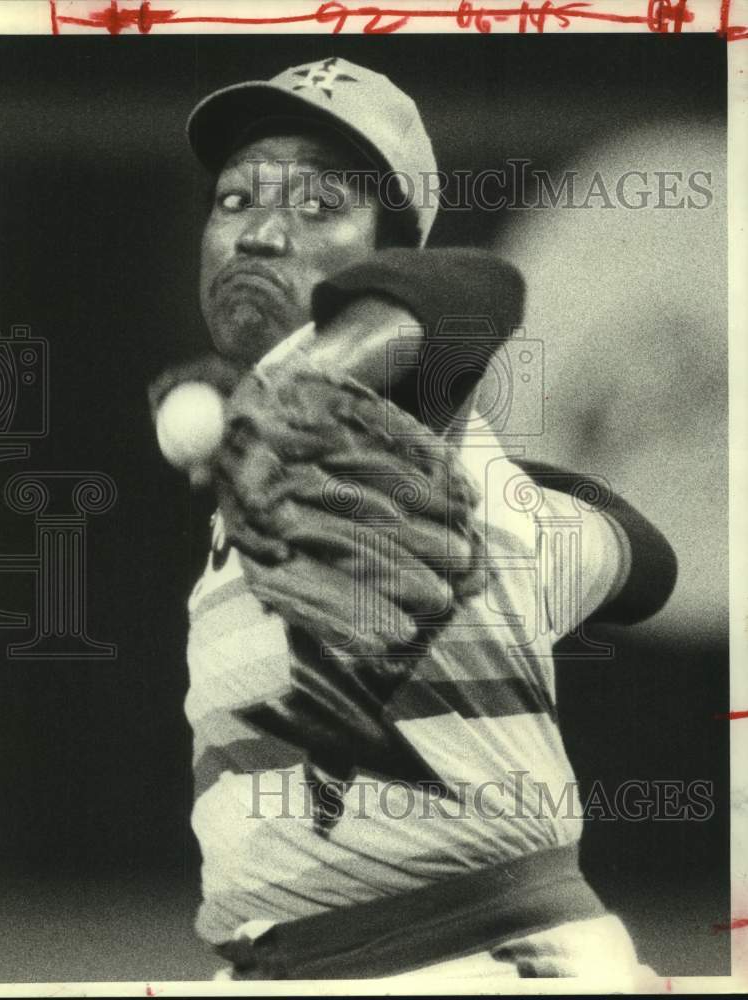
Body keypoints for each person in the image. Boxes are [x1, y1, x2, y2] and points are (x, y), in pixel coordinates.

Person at [150, 57, 677, 983]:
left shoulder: (384, 395)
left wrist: (309, 380)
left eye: (320, 208)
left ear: (385, 255)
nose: (261, 233)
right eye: (234, 201)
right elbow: (647, 565)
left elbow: (474, 291)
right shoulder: (316, 458)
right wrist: (527, 508)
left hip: (478, 959)